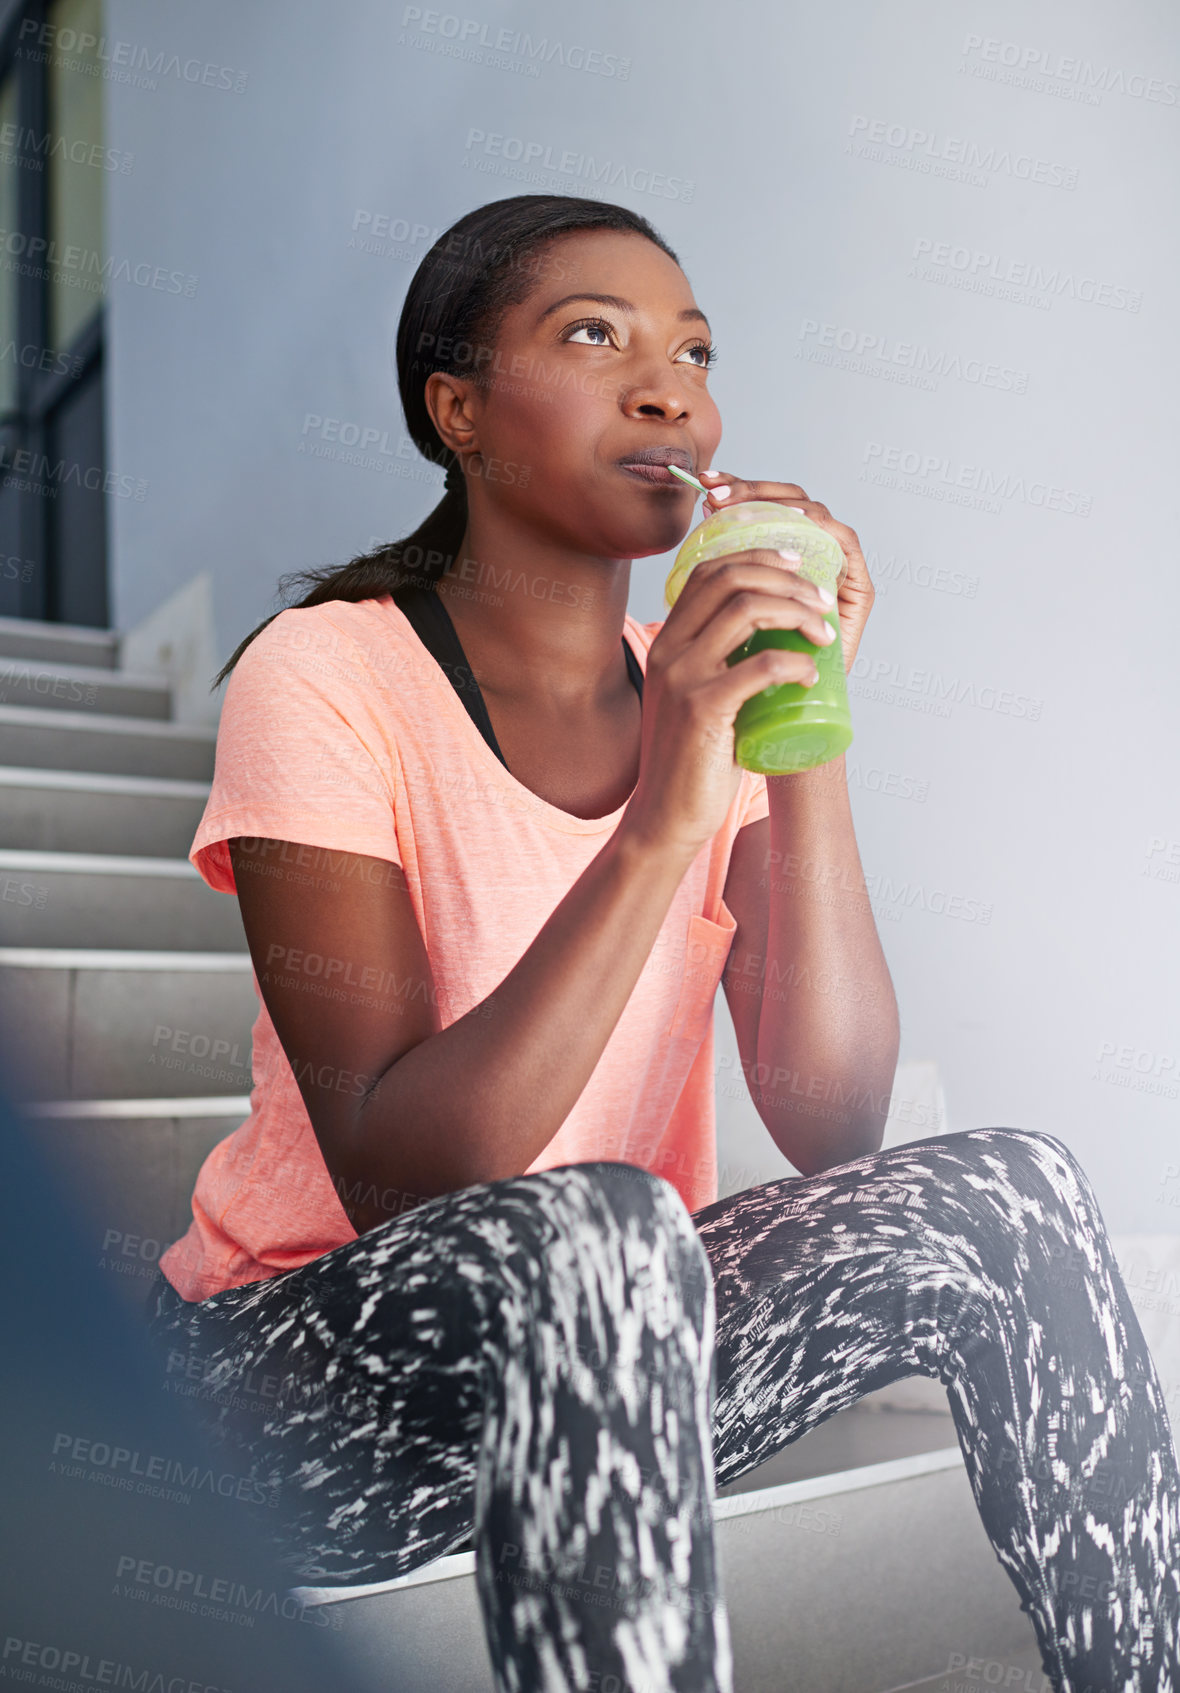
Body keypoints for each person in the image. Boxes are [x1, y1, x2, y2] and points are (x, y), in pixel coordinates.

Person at [143, 193, 1180, 1693]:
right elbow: (398, 1172)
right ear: (459, 413)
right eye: (594, 336)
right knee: (611, 1223)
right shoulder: (325, 676)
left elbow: (834, 1121)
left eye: (693, 352)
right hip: (295, 1384)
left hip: (619, 1337)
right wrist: (658, 823)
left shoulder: (690, 687)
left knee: (1009, 1189)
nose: (667, 387)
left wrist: (797, 721)